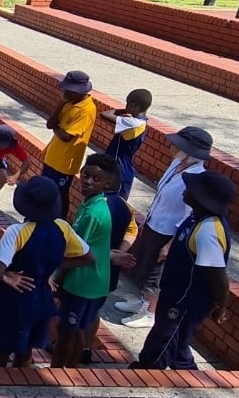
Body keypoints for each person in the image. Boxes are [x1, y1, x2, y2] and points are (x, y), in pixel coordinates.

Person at [129, 171, 235, 370]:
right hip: (173, 294)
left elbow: (218, 275)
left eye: (191, 188)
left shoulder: (208, 231)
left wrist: (221, 306)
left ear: (203, 198)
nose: (185, 190)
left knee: (162, 341)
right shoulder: (196, 218)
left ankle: (146, 372)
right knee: (177, 345)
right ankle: (188, 374)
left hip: (185, 302)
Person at [0, 176, 93, 368]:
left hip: (13, 303)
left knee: (0, 355)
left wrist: (7, 277)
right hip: (42, 299)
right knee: (25, 353)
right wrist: (52, 265)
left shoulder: (17, 231)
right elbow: (88, 257)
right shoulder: (63, 227)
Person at [115, 127, 213, 329]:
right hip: (155, 224)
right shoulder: (177, 164)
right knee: (144, 265)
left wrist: (170, 244)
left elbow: (189, 214)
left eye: (178, 145)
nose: (172, 147)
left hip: (169, 233)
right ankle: (142, 302)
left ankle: (150, 313)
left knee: (156, 275)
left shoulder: (197, 177)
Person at [52, 154, 137, 368]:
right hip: (94, 280)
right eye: (85, 175)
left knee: (66, 331)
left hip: (82, 283)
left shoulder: (93, 213)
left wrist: (57, 279)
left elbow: (76, 252)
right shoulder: (92, 203)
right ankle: (71, 368)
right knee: (77, 328)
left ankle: (58, 370)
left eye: (96, 179)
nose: (87, 181)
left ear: (108, 183)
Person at [41, 71, 97, 219]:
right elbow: (50, 124)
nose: (65, 93)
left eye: (68, 90)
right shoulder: (69, 103)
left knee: (59, 194)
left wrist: (55, 126)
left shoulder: (86, 110)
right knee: (46, 190)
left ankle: (58, 222)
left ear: (79, 92)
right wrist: (60, 104)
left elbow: (66, 136)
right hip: (52, 156)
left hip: (65, 162)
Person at [99, 89, 152, 200]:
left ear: (132, 105)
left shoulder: (133, 122)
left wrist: (123, 111)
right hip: (119, 165)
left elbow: (105, 114)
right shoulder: (138, 121)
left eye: (127, 104)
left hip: (120, 167)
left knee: (114, 201)